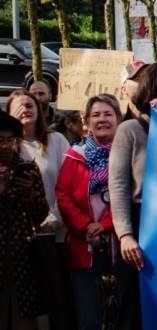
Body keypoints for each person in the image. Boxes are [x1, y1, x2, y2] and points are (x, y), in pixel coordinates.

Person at [109, 61, 157, 330]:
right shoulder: (130, 131)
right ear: (150, 89)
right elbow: (117, 186)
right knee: (136, 306)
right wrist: (126, 235)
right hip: (142, 224)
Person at [8, 89, 73, 329]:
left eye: (30, 104)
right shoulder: (7, 147)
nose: (25, 109)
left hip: (55, 231)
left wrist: (54, 216)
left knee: (56, 294)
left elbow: (69, 182)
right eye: (19, 106)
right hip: (20, 235)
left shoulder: (56, 140)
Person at [55, 94, 121, 330]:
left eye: (107, 114)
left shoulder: (128, 154)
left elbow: (130, 197)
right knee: (89, 317)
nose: (102, 119)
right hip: (84, 248)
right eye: (96, 115)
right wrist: (86, 227)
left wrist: (104, 226)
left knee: (120, 315)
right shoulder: (75, 156)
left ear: (118, 118)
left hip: (121, 248)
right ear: (86, 121)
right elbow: (63, 195)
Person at [0, 110, 49, 330]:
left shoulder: (27, 169)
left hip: (21, 258)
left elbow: (40, 214)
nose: (5, 146)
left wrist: (29, 193)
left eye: (10, 140)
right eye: (0, 140)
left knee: (23, 321)